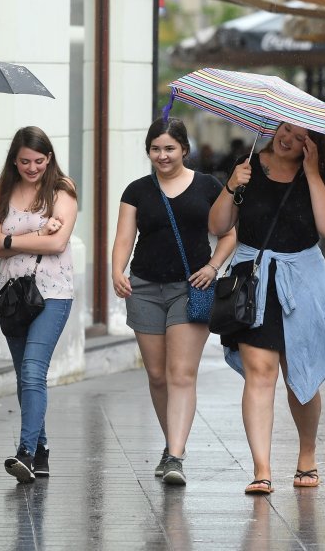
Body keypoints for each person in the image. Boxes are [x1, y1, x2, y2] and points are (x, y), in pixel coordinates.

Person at [208, 121, 325, 495]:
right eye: (285, 129)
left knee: (298, 374)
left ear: (312, 143)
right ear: (275, 127)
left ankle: (307, 454)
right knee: (260, 373)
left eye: (301, 135)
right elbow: (219, 224)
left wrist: (314, 174)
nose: (289, 138)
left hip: (301, 282)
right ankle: (261, 470)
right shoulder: (249, 165)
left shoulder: (313, 176)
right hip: (255, 282)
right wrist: (232, 185)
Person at [112, 117, 236, 485]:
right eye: (155, 149)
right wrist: (117, 270)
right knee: (156, 375)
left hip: (190, 288)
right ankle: (171, 445)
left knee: (181, 373)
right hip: (145, 288)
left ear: (184, 149)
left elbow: (230, 234)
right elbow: (124, 237)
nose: (162, 155)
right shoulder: (137, 190)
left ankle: (176, 455)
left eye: (169, 148)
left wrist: (214, 267)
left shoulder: (208, 186)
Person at [0, 126, 77, 484]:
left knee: (34, 371)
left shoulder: (62, 191)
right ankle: (41, 453)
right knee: (25, 376)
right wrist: (38, 235)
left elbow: (58, 245)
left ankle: (23, 451)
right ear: (14, 160)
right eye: (25, 161)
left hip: (53, 292)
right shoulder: (3, 190)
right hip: (12, 294)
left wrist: (12, 238)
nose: (32, 167)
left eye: (39, 161)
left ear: (49, 158)